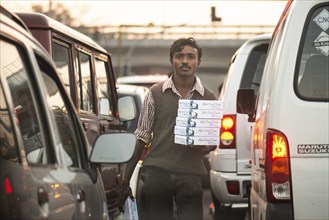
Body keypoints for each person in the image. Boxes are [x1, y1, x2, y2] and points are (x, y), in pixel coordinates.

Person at [119, 37, 217, 220]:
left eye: (190, 56)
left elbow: (212, 141)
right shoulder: (155, 94)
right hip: (157, 174)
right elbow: (142, 136)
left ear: (198, 62)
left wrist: (207, 146)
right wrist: (126, 180)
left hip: (190, 175)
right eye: (179, 56)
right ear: (171, 60)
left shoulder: (209, 98)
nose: (185, 61)